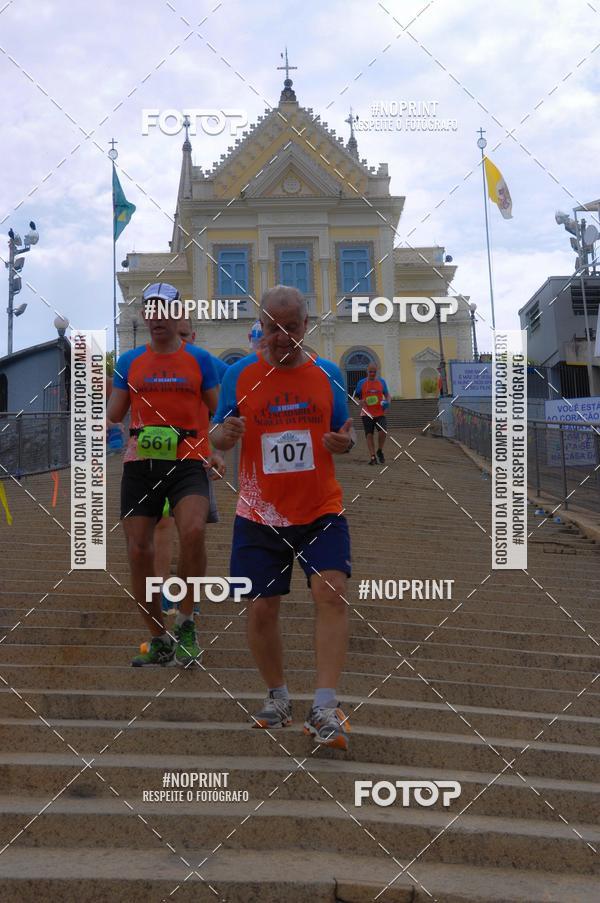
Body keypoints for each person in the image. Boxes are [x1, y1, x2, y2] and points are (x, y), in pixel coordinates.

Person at [211, 285, 355, 750]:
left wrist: (346, 443)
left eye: (291, 327)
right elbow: (217, 434)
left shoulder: (328, 374)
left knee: (330, 592)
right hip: (259, 511)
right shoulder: (238, 375)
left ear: (305, 326)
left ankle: (325, 705)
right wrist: (224, 435)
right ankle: (277, 697)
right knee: (260, 607)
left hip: (320, 507)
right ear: (263, 327)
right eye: (273, 327)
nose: (281, 336)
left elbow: (344, 431)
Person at [107, 282, 220, 667]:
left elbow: (219, 414)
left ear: (177, 315)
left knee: (193, 530)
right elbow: (114, 413)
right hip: (140, 464)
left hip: (188, 460)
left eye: (163, 310)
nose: (155, 318)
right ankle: (158, 636)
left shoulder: (200, 360)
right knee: (139, 550)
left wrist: (217, 451)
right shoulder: (130, 362)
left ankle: (186, 621)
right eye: (148, 310)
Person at [154, 317, 227, 614]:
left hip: (194, 459)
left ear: (194, 335)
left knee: (191, 530)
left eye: (184, 335)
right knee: (161, 524)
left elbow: (226, 409)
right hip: (155, 458)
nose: (179, 341)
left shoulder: (207, 365)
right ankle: (161, 590)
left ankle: (188, 593)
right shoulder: (148, 360)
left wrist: (218, 451)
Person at [354, 364, 390, 465]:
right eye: (370, 372)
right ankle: (373, 457)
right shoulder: (361, 383)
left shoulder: (382, 382)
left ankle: (379, 450)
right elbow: (356, 397)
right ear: (367, 371)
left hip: (380, 412)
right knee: (369, 435)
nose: (372, 374)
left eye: (374, 372)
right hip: (366, 413)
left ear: (377, 371)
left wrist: (387, 403)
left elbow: (387, 396)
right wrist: (360, 401)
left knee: (383, 431)